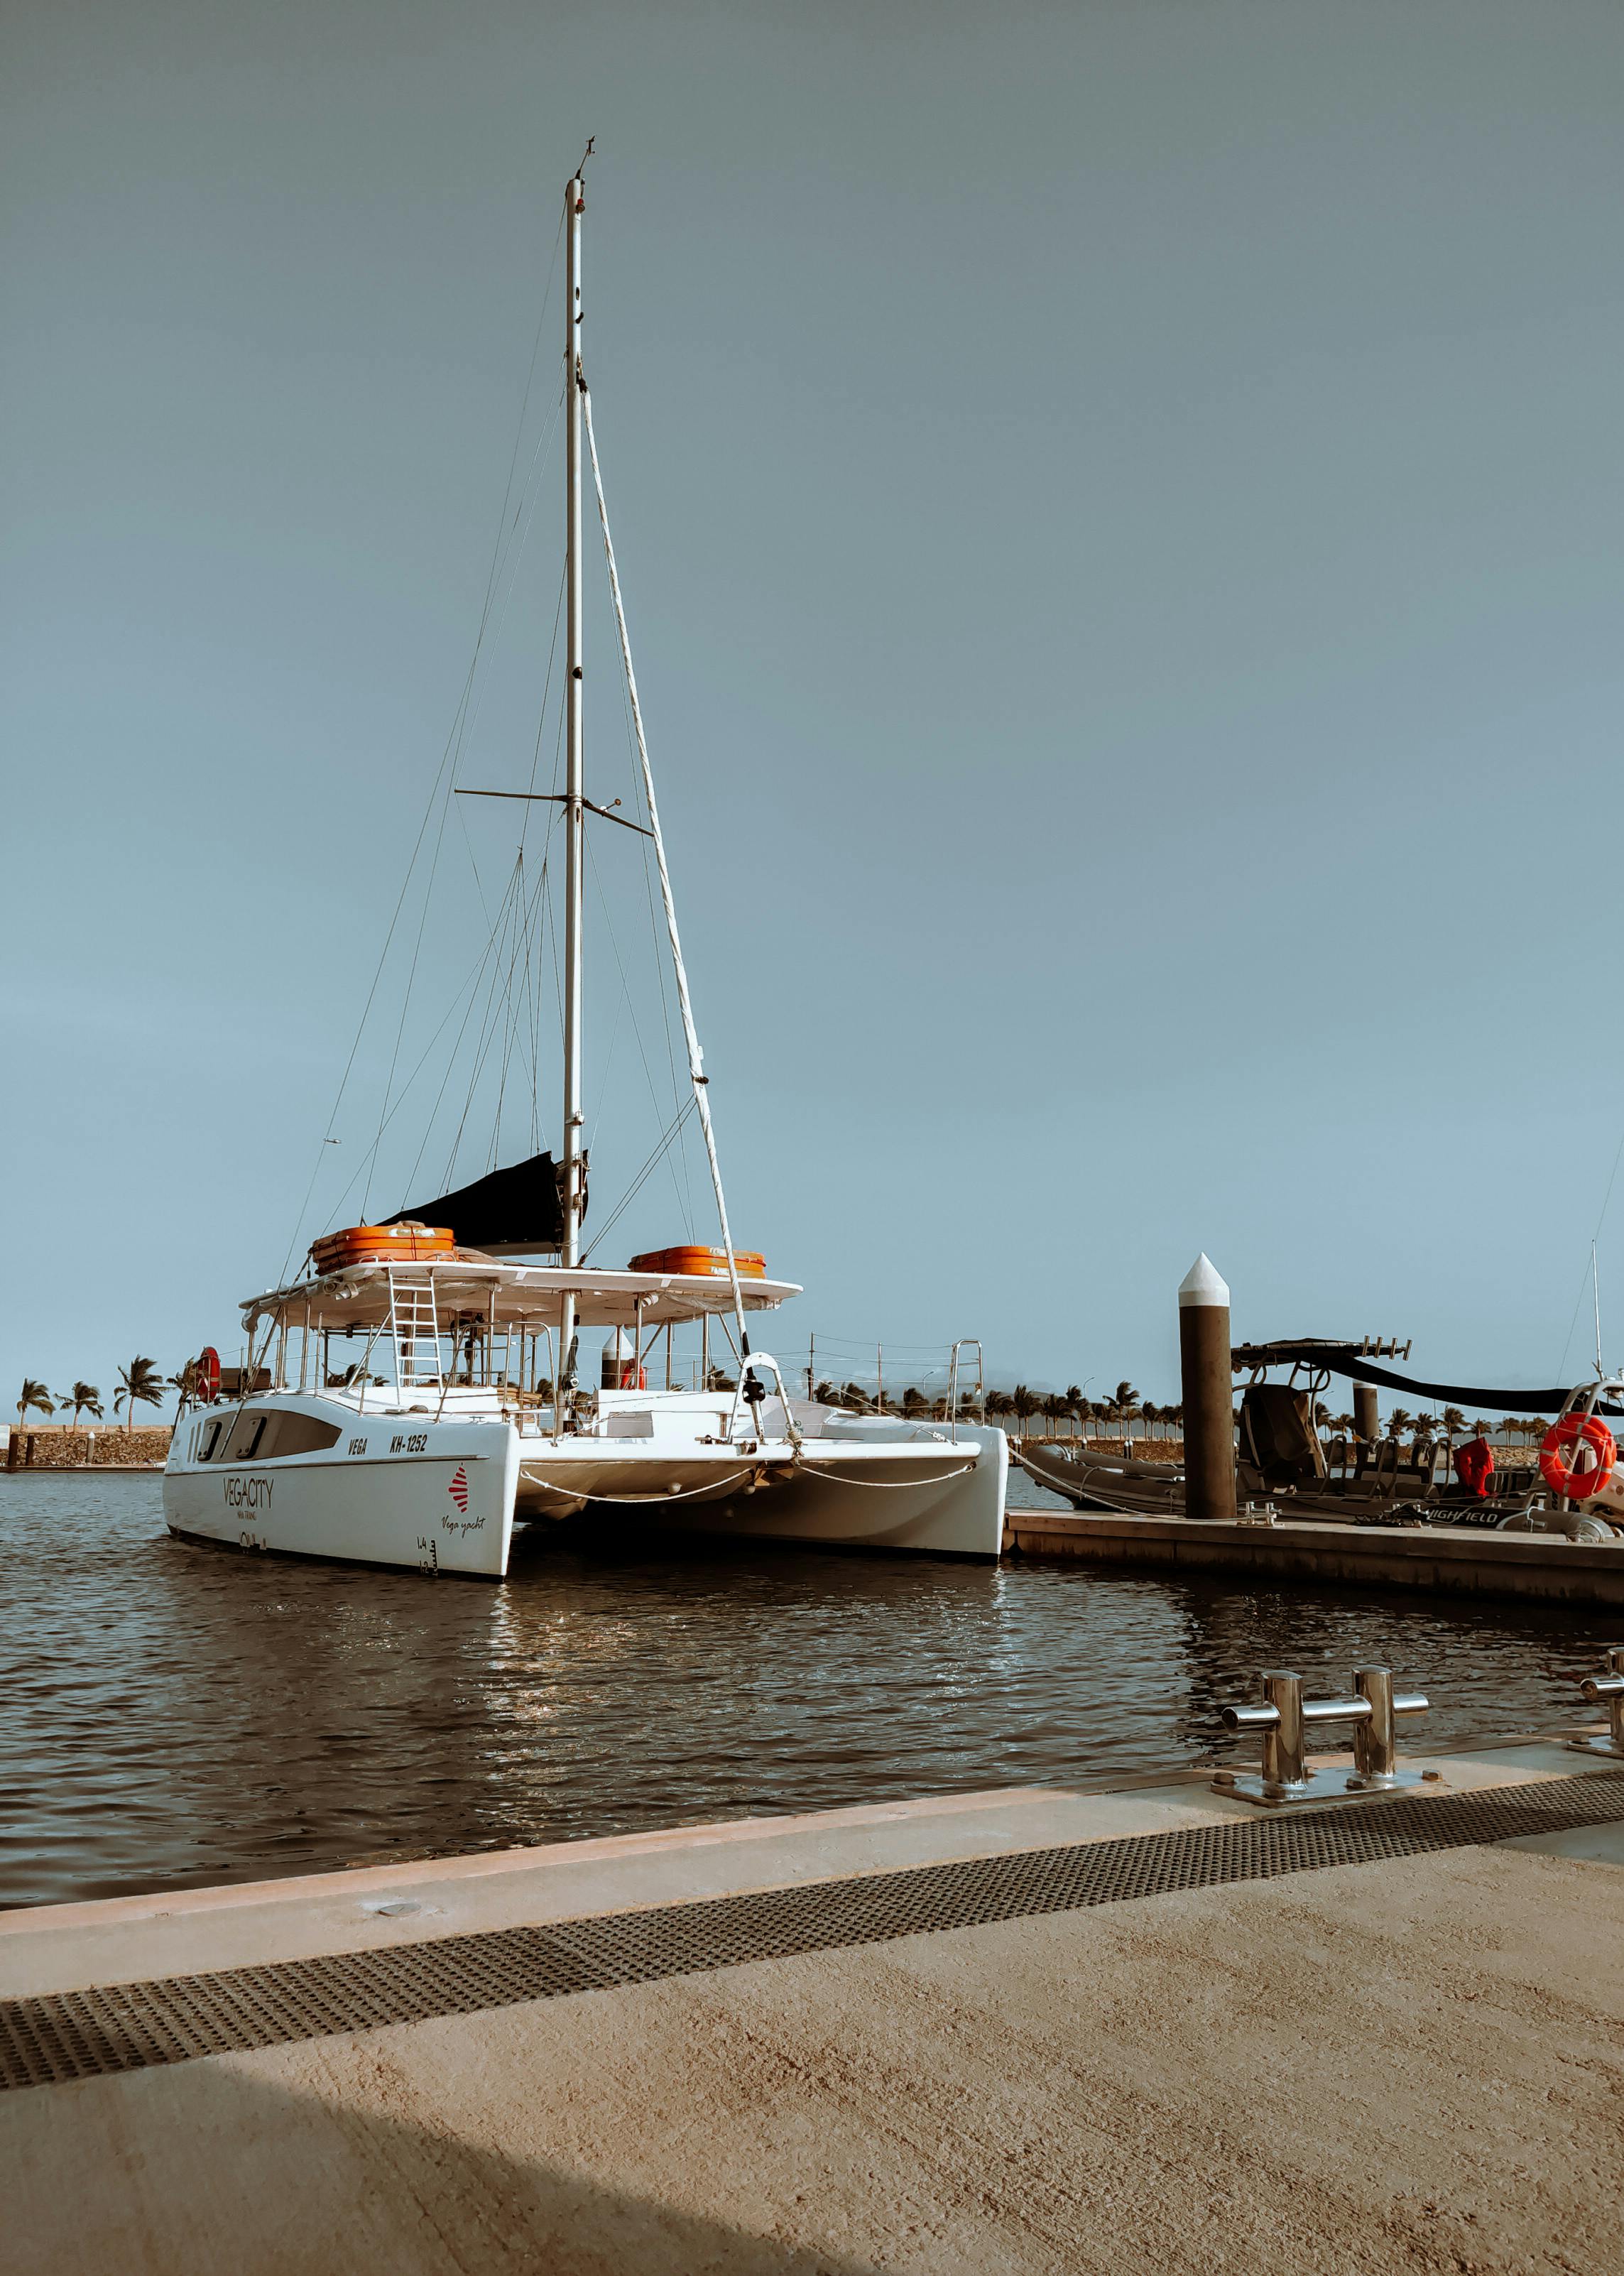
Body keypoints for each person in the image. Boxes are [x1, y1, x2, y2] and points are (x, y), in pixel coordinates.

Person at [1454, 1428, 1495, 1498]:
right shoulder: (1486, 1460)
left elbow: (1465, 1470)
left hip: (1477, 1496)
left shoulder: (1482, 1464)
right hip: (1483, 1493)